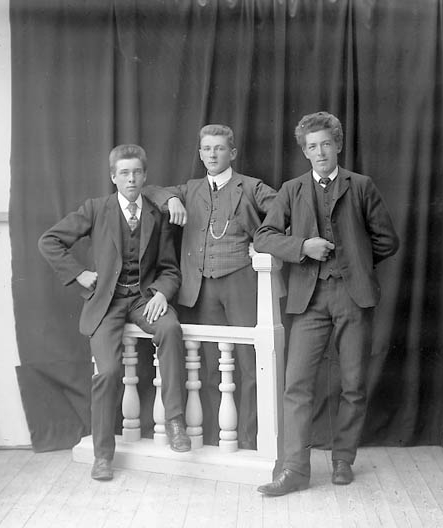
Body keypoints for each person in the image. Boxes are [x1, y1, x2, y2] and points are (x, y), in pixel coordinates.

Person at [253, 112, 399, 495]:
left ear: (338, 146)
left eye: (326, 144)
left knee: (353, 384)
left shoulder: (361, 186)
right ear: (305, 151)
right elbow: (264, 236)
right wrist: (302, 247)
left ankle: (342, 460)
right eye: (312, 146)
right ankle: (295, 470)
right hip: (309, 298)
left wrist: (356, 264)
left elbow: (388, 240)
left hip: (353, 297)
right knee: (297, 385)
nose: (320, 152)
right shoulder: (292, 190)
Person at [38, 144, 190, 482]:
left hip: (143, 299)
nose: (131, 179)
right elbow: (49, 241)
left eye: (136, 172)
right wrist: (78, 273)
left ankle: (175, 421)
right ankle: (103, 456)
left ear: (145, 176)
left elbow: (170, 269)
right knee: (107, 372)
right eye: (124, 173)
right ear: (113, 177)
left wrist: (161, 293)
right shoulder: (96, 209)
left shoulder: (157, 214)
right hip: (106, 302)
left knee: (170, 328)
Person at [155, 124, 277, 449]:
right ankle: (213, 437)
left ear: (232, 153)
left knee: (250, 365)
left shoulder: (250, 187)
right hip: (201, 289)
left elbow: (286, 208)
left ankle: (249, 439)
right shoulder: (191, 188)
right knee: (209, 366)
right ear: (200, 153)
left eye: (219, 148)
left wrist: (265, 241)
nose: (212, 154)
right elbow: (152, 192)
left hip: (241, 284)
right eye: (207, 149)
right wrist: (172, 198)